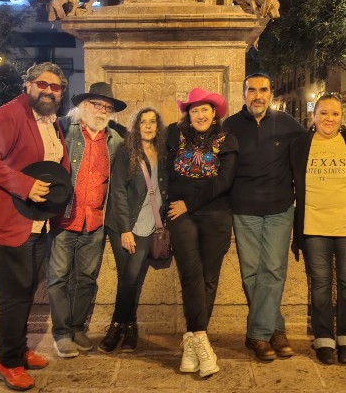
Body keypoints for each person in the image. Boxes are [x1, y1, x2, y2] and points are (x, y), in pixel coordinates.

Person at [0, 62, 70, 392]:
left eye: (55, 87)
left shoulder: (51, 122)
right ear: (27, 84)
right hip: (7, 221)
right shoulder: (10, 114)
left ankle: (17, 347)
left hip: (36, 223)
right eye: (42, 84)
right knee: (12, 296)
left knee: (26, 289)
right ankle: (8, 362)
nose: (48, 91)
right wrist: (25, 185)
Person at [223, 73, 305, 361]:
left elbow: (310, 151)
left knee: (272, 270)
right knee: (250, 274)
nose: (258, 96)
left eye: (263, 90)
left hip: (279, 209)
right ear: (243, 94)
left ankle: (257, 334)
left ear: (271, 94)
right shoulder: (229, 126)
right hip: (244, 209)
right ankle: (276, 329)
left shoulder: (288, 124)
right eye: (252, 90)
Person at [289, 92, 346, 366]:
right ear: (313, 115)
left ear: (341, 117)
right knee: (320, 284)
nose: (329, 118)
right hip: (313, 226)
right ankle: (323, 338)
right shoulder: (300, 145)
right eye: (323, 113)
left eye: (335, 113)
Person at [47, 82, 125, 358]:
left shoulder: (115, 140)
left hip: (95, 221)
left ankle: (77, 327)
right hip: (64, 218)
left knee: (87, 279)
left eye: (107, 107)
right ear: (83, 105)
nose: (101, 110)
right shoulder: (64, 130)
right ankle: (61, 333)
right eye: (96, 104)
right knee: (58, 278)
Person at [166, 88, 238, 378]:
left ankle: (193, 341)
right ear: (188, 114)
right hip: (179, 214)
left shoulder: (228, 140)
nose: (200, 115)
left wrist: (190, 203)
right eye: (194, 110)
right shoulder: (173, 135)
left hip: (216, 214)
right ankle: (202, 342)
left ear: (214, 113)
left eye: (205, 109)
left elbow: (224, 181)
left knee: (208, 278)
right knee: (191, 274)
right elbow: (165, 172)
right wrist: (177, 204)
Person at [98, 107, 168, 353]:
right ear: (136, 127)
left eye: (152, 122)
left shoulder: (163, 153)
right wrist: (126, 229)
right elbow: (117, 190)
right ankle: (126, 326)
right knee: (127, 278)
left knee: (129, 278)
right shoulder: (125, 151)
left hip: (149, 224)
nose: (148, 126)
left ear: (158, 126)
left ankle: (120, 326)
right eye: (143, 122)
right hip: (123, 224)